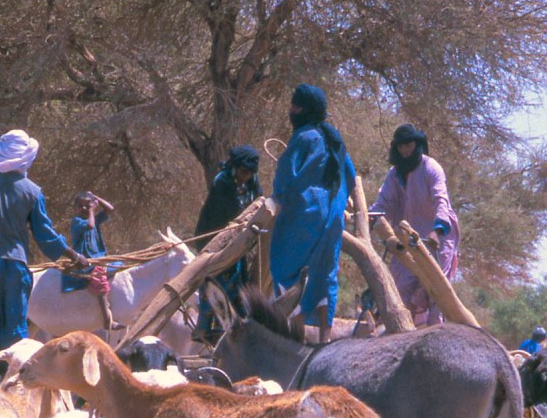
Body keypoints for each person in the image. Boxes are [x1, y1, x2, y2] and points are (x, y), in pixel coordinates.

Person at [0, 130, 87, 387]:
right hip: (15, 269)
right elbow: (45, 232)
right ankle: (13, 388)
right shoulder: (32, 191)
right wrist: (72, 254)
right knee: (14, 331)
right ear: (26, 155)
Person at [269, 83, 356, 343]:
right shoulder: (335, 139)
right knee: (324, 273)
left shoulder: (304, 137)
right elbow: (350, 177)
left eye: (296, 106)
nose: (291, 110)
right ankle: (324, 339)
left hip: (304, 214)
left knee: (286, 269)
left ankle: (295, 337)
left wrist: (280, 197)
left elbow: (285, 175)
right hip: (333, 217)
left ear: (305, 110)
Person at [369, 124, 460, 326]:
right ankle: (402, 337)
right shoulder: (394, 175)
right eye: (401, 147)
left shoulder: (431, 168)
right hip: (408, 238)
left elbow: (441, 201)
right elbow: (383, 202)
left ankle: (435, 337)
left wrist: (437, 231)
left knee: (437, 292)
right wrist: (369, 216)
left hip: (437, 238)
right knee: (400, 289)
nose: (405, 151)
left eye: (408, 146)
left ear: (417, 145)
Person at [193, 145, 263, 342]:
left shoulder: (252, 182)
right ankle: (206, 330)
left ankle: (237, 325)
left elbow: (258, 201)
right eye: (243, 172)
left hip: (238, 243)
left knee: (238, 282)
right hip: (214, 239)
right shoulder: (222, 182)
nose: (246, 177)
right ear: (235, 167)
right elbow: (226, 214)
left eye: (249, 173)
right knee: (215, 281)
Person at [65, 191, 124, 331]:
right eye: (81, 206)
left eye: (87, 205)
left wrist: (96, 197)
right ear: (75, 208)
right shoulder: (77, 221)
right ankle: (107, 319)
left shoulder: (94, 218)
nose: (84, 208)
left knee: (120, 264)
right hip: (84, 262)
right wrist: (92, 210)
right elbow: (90, 225)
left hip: (99, 259)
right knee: (99, 276)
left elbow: (110, 209)